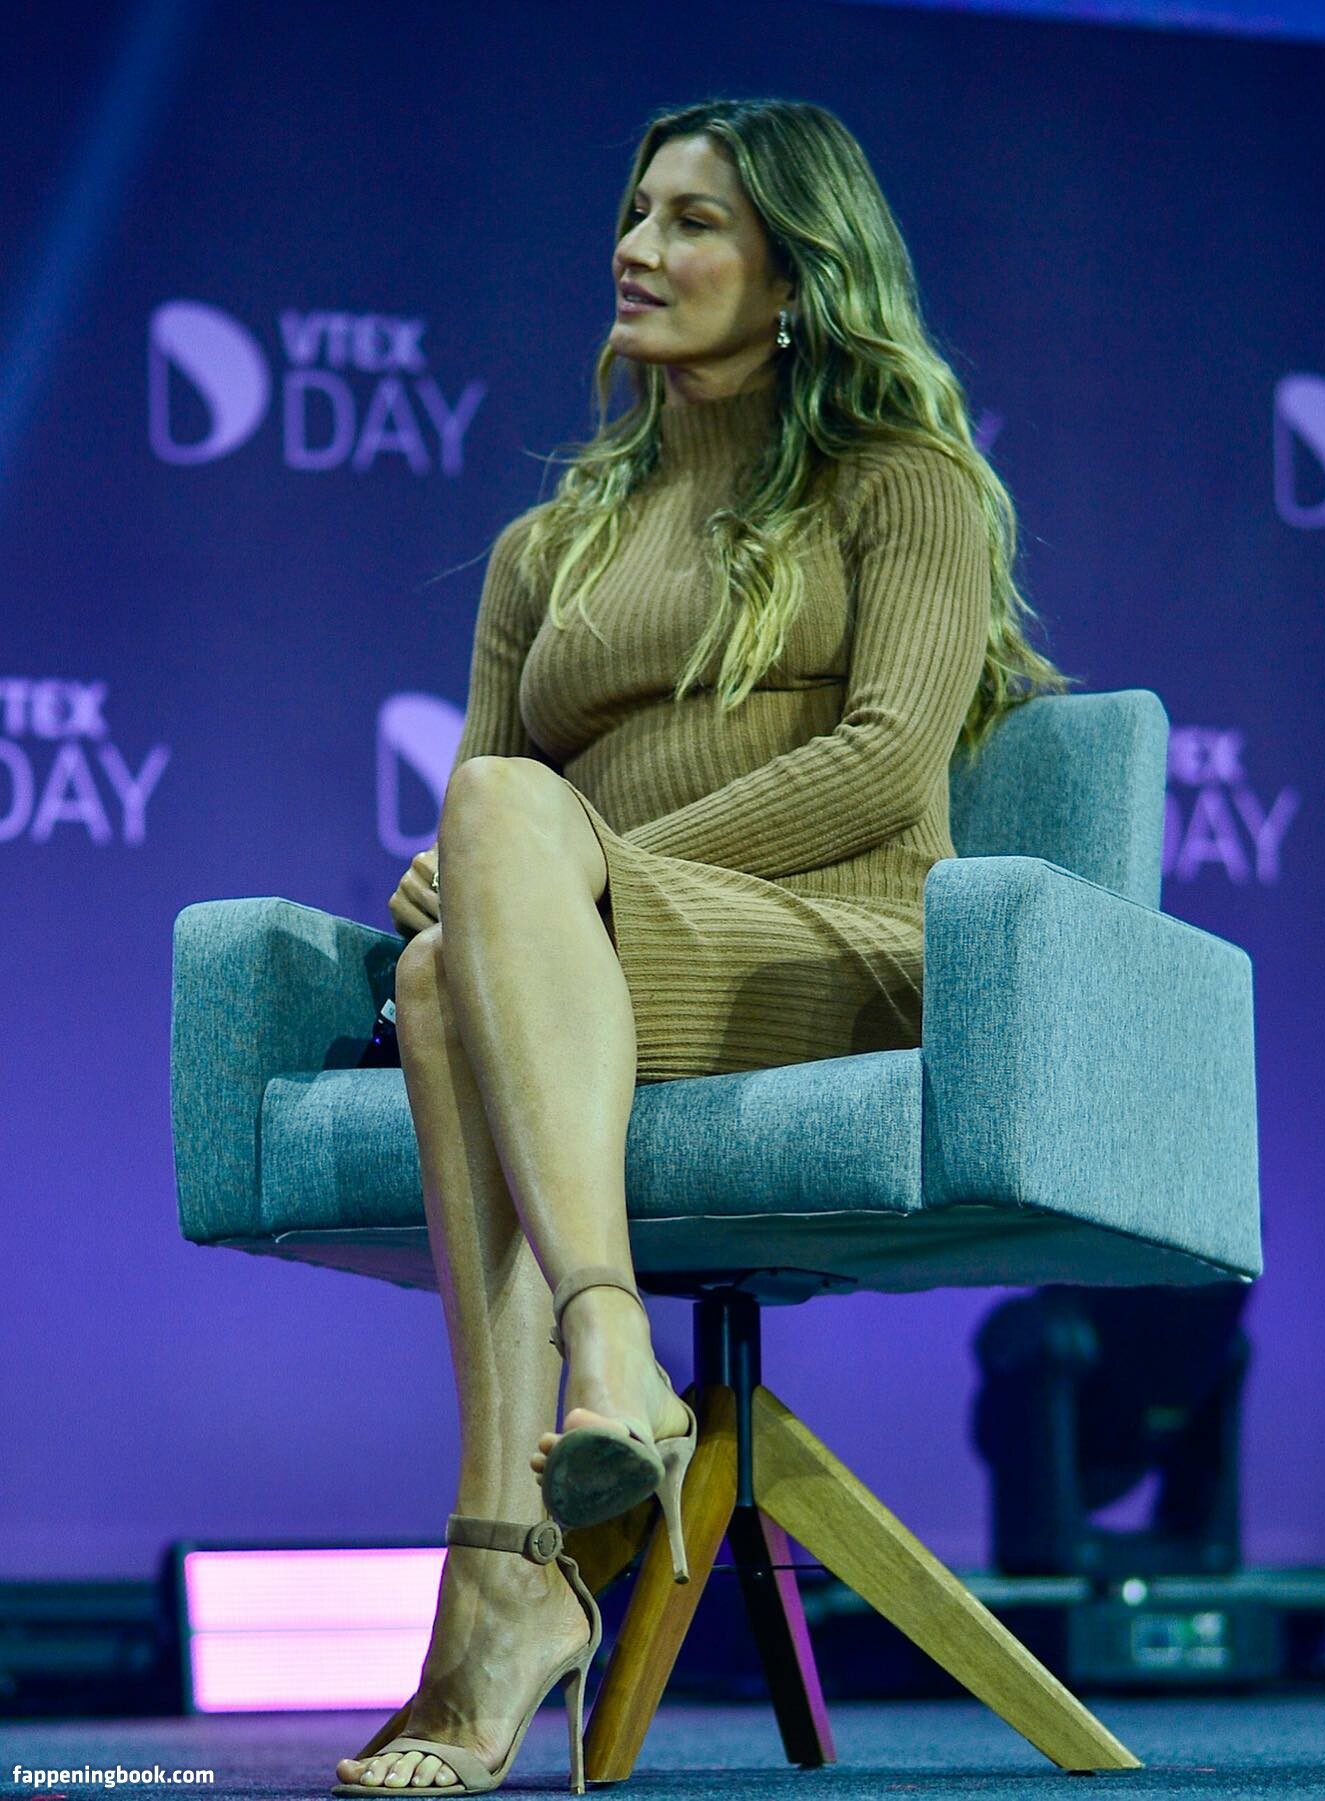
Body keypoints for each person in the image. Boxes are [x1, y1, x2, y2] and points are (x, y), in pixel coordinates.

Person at [333, 96, 1068, 1797]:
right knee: (442, 964)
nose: (638, 249)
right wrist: (465, 885)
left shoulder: (908, 487)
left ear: (799, 276)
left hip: (837, 939)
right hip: (595, 957)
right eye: (635, 213)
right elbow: (484, 798)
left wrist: (570, 872)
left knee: (498, 873)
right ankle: (518, 1558)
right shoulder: (548, 544)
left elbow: (885, 762)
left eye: (693, 222)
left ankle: (576, 1424)